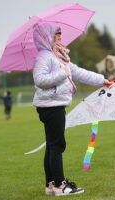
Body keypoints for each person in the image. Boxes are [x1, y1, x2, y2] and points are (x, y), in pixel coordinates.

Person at [32, 23, 110, 196]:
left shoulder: (56, 55)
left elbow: (78, 72)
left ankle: (51, 184)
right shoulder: (44, 56)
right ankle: (61, 186)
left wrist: (102, 80)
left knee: (52, 145)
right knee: (57, 145)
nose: (60, 35)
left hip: (54, 105)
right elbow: (39, 80)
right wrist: (63, 73)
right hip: (51, 106)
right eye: (56, 33)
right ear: (46, 36)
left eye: (60, 32)